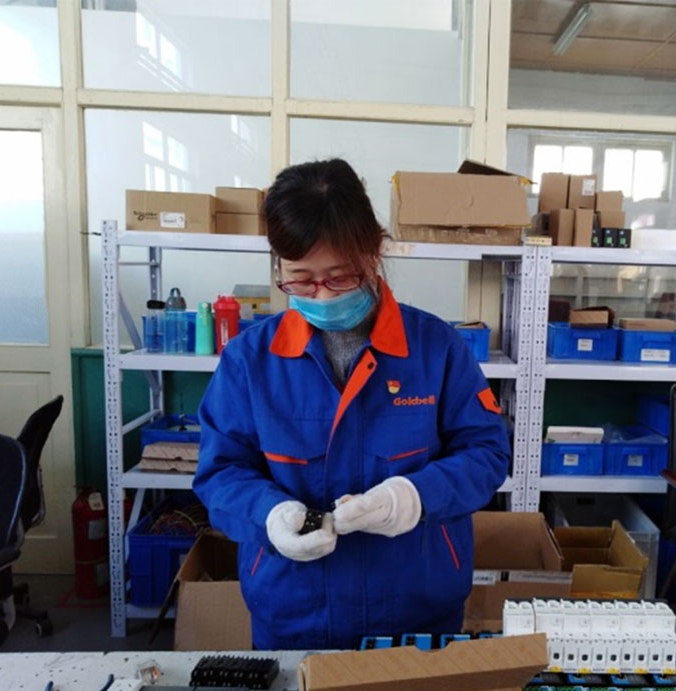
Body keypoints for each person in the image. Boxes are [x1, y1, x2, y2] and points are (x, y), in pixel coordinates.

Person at [193, 159, 511, 649]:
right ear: (278, 267)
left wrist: (414, 497)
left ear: (374, 252)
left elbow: (486, 453)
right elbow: (221, 472)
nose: (321, 295)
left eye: (340, 277)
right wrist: (269, 516)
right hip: (294, 611)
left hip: (418, 613)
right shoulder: (249, 360)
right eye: (300, 280)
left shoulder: (436, 348)